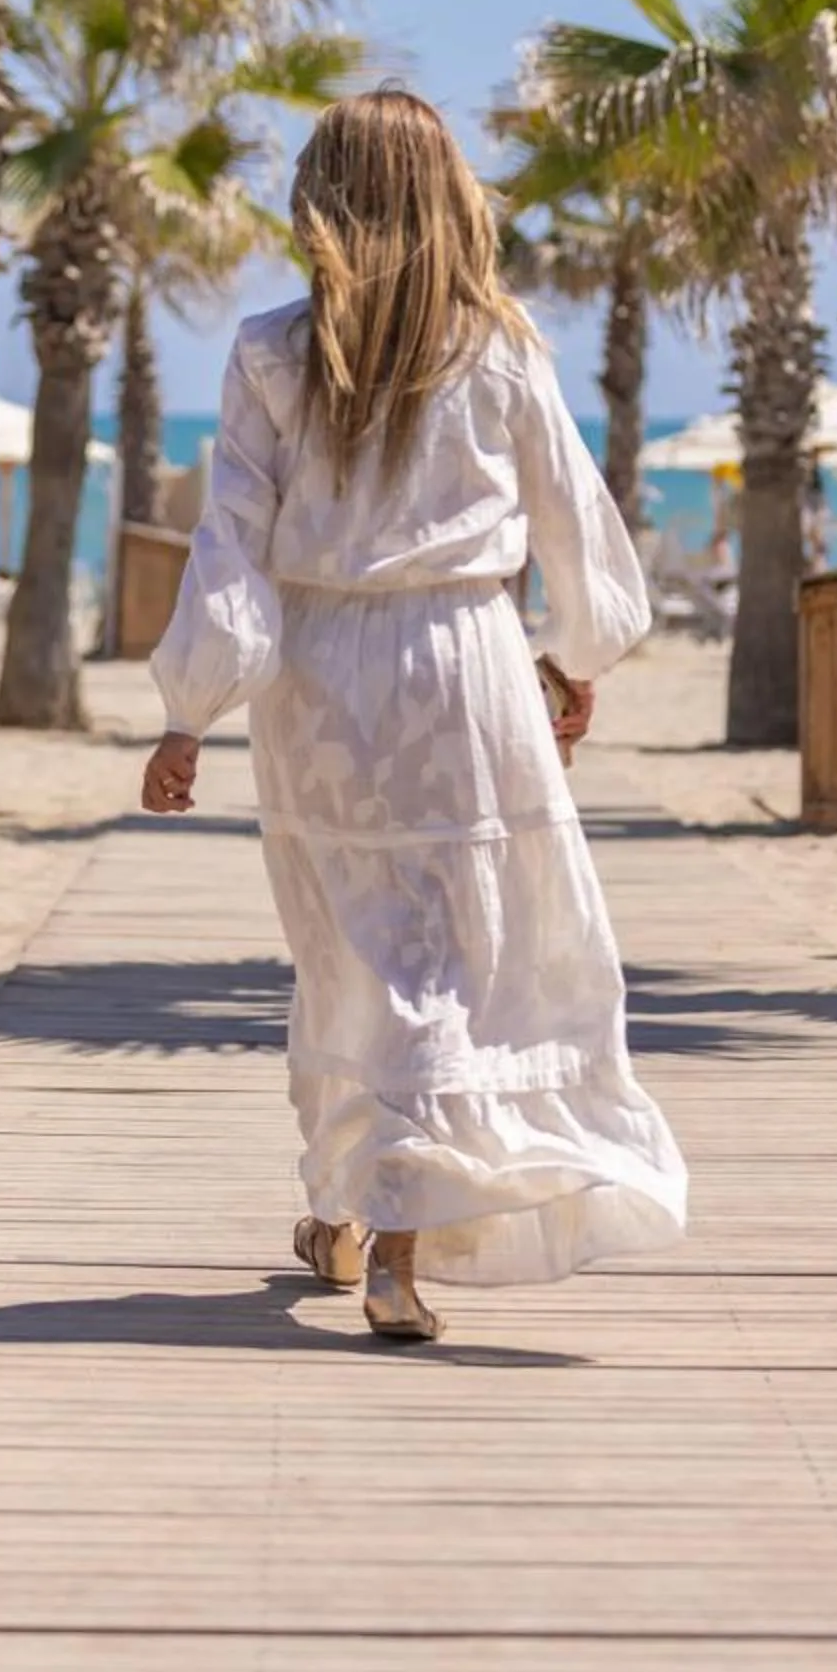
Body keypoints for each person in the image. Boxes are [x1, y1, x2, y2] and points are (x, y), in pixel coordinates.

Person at [141, 89, 686, 1345]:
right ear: (450, 198)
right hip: (463, 664)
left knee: (347, 954)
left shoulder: (272, 350)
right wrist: (568, 656)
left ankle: (367, 1225)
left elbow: (230, 544)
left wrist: (190, 714)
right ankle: (370, 1240)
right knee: (446, 954)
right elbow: (573, 522)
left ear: (320, 199)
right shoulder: (498, 347)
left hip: (320, 678)